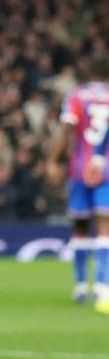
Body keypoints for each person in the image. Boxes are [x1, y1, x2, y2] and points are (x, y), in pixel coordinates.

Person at [46, 56, 109, 312]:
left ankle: (81, 286)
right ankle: (104, 287)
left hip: (79, 168)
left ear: (88, 71)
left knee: (81, 227)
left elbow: (65, 130)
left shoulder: (76, 96)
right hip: (106, 169)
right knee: (105, 227)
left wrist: (53, 159)